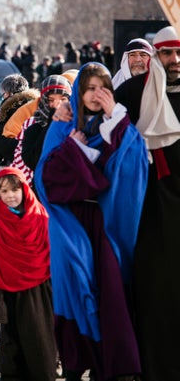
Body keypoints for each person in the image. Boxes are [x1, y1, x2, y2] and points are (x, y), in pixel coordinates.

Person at [36, 62, 147, 381]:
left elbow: (131, 167)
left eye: (104, 87)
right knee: (74, 288)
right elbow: (45, 178)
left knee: (109, 288)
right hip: (70, 223)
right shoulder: (62, 125)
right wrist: (74, 149)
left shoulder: (121, 126)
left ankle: (116, 365)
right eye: (89, 88)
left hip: (106, 223)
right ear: (79, 93)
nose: (97, 94)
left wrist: (117, 119)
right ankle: (74, 360)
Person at [114, 25, 180, 381]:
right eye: (167, 53)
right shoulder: (131, 92)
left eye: (178, 52)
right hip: (149, 214)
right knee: (154, 292)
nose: (175, 61)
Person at [0, 167, 56, 381]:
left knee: (40, 335)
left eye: (14, 190)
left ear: (24, 189)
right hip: (7, 289)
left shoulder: (40, 217)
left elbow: (52, 252)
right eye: (4, 192)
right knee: (12, 339)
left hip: (40, 289)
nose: (10, 196)